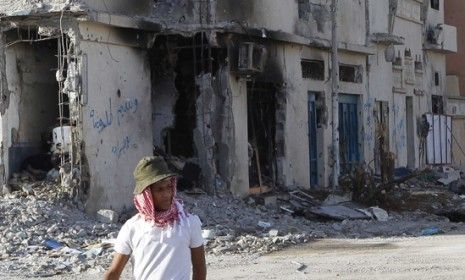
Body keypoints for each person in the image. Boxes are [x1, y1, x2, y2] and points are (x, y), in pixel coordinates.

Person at [104, 156, 207, 280]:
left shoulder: (189, 223)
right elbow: (114, 273)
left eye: (169, 187)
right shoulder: (132, 227)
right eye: (159, 189)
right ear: (146, 194)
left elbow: (199, 270)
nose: (167, 194)